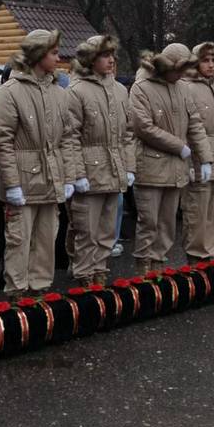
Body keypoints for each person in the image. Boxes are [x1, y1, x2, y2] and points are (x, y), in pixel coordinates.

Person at [0, 30, 76, 300]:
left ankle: (40, 292)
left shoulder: (60, 93)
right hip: (23, 180)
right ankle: (17, 296)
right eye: (53, 52)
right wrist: (12, 184)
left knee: (46, 240)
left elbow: (67, 138)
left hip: (51, 179)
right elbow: (3, 141)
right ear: (39, 55)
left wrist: (69, 177)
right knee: (19, 241)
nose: (58, 58)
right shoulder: (10, 92)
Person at [130, 44, 212, 272]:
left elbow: (195, 124)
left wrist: (205, 157)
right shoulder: (141, 87)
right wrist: (179, 146)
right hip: (150, 166)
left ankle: (158, 265)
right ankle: (144, 269)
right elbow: (143, 127)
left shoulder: (183, 88)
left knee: (167, 223)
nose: (183, 74)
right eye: (180, 69)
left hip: (176, 168)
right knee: (149, 221)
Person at [64, 35, 135, 284]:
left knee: (107, 229)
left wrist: (129, 166)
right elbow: (70, 137)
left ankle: (100, 271)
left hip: (114, 169)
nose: (111, 60)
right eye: (105, 56)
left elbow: (128, 133)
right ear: (90, 59)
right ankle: (84, 275)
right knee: (86, 229)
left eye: (112, 55)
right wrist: (77, 174)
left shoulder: (120, 90)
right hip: (89, 170)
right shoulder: (76, 91)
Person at [179, 43, 214, 263]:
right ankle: (196, 261)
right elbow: (188, 129)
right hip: (199, 162)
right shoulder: (188, 88)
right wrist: (191, 163)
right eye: (205, 60)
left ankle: (209, 257)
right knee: (197, 215)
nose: (211, 65)